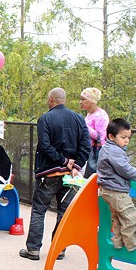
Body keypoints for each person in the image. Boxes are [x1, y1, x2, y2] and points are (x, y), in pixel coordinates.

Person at [19, 87, 90, 261]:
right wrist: (76, 165)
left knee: (38, 211)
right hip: (70, 176)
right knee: (64, 213)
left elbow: (44, 145)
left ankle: (33, 250)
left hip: (48, 174)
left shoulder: (45, 119)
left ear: (51, 99)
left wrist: (63, 161)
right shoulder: (79, 118)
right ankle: (59, 249)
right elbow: (86, 145)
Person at [97, 118, 136, 251]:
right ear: (111, 137)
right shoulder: (113, 150)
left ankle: (118, 243)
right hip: (115, 191)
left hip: (110, 190)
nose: (127, 140)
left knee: (119, 218)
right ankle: (132, 243)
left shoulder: (109, 148)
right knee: (131, 216)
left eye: (128, 137)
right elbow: (124, 168)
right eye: (123, 137)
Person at [80, 87, 109, 177]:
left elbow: (100, 136)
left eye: (83, 99)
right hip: (87, 150)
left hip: (95, 152)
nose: (80, 102)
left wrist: (84, 126)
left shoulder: (100, 115)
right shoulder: (89, 114)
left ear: (91, 100)